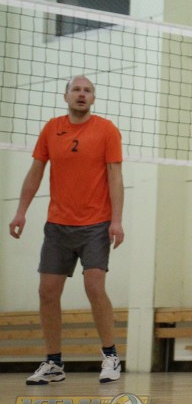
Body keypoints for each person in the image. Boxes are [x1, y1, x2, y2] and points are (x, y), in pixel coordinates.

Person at [8, 76, 125, 385]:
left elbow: (115, 176)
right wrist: (21, 211)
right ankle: (54, 363)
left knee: (94, 287)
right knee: (47, 292)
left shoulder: (106, 130)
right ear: (66, 96)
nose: (81, 94)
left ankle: (111, 356)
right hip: (58, 225)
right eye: (76, 90)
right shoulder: (52, 128)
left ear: (93, 98)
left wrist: (116, 220)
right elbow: (36, 171)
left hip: (96, 223)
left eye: (87, 91)